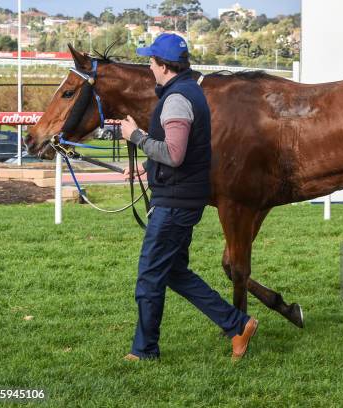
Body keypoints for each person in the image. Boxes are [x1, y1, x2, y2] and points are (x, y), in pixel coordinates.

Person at [120, 33, 258, 361]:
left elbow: (175, 153)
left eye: (151, 61)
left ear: (164, 66)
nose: (149, 66)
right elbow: (182, 150)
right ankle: (236, 324)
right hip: (180, 196)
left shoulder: (177, 99)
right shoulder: (188, 91)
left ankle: (144, 351)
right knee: (172, 271)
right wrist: (147, 168)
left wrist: (136, 136)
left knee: (150, 275)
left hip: (175, 203)